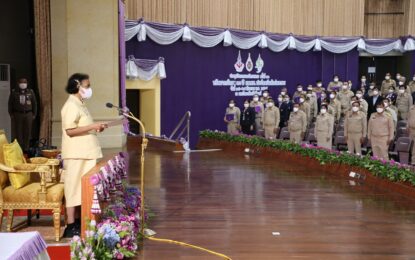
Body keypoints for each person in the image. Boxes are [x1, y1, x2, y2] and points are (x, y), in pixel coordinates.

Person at [61, 73, 107, 237]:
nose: (89, 89)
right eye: (87, 86)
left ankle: (81, 221)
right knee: (73, 189)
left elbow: (84, 127)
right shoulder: (71, 105)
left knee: (83, 190)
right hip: (76, 154)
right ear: (77, 86)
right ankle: (70, 225)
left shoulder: (81, 104)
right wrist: (92, 126)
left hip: (86, 153)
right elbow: (70, 131)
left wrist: (96, 127)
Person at [8, 78, 38, 152]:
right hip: (18, 114)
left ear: (27, 83)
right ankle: (19, 149)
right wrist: (11, 114)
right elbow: (10, 104)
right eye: (21, 82)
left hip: (28, 114)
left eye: (25, 82)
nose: (23, 84)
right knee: (18, 132)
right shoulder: (14, 92)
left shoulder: (30, 92)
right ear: (18, 83)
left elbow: (34, 104)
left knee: (28, 132)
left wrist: (34, 114)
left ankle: (26, 149)